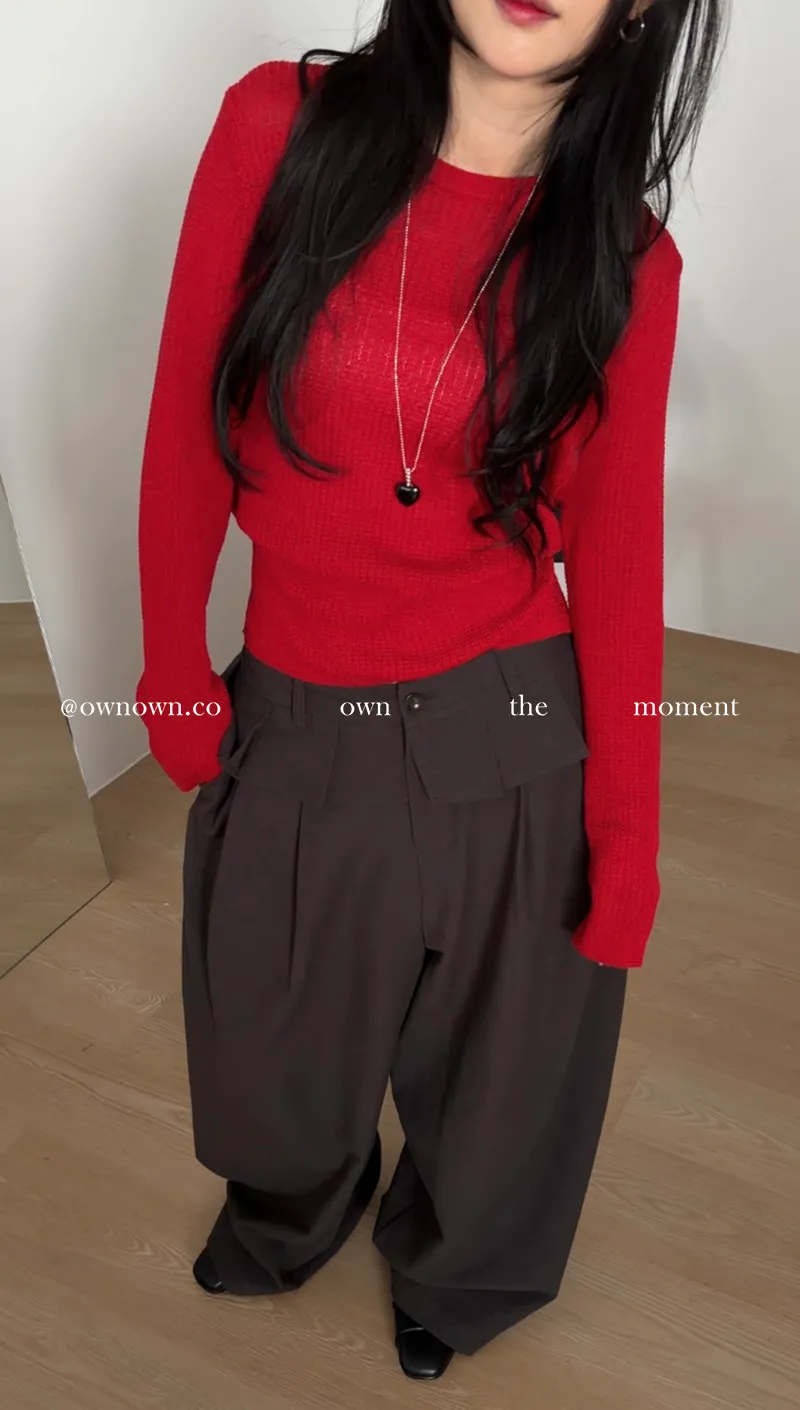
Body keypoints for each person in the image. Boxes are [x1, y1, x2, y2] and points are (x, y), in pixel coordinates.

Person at [135, 0, 726, 1382]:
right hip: (301, 701)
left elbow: (620, 567)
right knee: (271, 1026)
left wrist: (628, 836)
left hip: (510, 722)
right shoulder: (279, 130)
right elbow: (184, 417)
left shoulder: (627, 260)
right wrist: (170, 670)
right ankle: (292, 1209)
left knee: (507, 1069)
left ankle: (460, 1272)